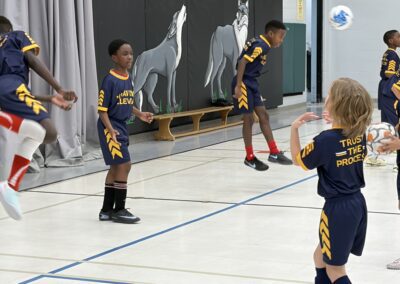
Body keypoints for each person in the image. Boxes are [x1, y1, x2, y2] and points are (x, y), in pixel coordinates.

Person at [291, 78, 373, 284]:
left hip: (337, 209)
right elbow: (343, 139)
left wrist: (294, 129)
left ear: (334, 104)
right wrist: (337, 122)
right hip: (357, 204)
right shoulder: (358, 134)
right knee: (319, 257)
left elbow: (297, 160)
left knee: (336, 270)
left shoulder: (325, 141)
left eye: (329, 94)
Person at [0, 16, 77, 220]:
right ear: (7, 29)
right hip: (15, 86)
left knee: (36, 133)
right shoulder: (15, 36)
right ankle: (10, 186)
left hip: (10, 91)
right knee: (49, 133)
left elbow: (13, 93)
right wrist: (59, 88)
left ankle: (10, 187)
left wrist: (50, 99)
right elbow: (31, 60)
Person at [97, 39, 153, 224]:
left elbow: (127, 103)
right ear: (114, 57)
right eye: (124, 54)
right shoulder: (109, 80)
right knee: (125, 165)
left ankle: (106, 210)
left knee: (116, 167)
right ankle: (119, 209)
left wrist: (140, 114)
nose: (129, 57)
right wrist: (111, 130)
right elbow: (102, 110)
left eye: (131, 53)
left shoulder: (127, 78)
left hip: (120, 126)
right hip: (110, 127)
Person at [232, 20, 292, 171]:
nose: (281, 40)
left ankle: (273, 152)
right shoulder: (262, 45)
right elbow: (242, 63)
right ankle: (250, 157)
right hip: (244, 82)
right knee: (249, 119)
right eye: (280, 36)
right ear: (271, 33)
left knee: (264, 116)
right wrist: (239, 86)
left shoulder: (262, 43)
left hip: (252, 82)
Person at [366, 30, 400, 166]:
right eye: (398, 36)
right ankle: (397, 163)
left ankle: (373, 157)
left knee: (387, 125)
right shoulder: (392, 54)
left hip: (385, 90)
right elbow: (388, 73)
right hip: (389, 91)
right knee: (394, 125)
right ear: (391, 40)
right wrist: (395, 83)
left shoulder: (389, 53)